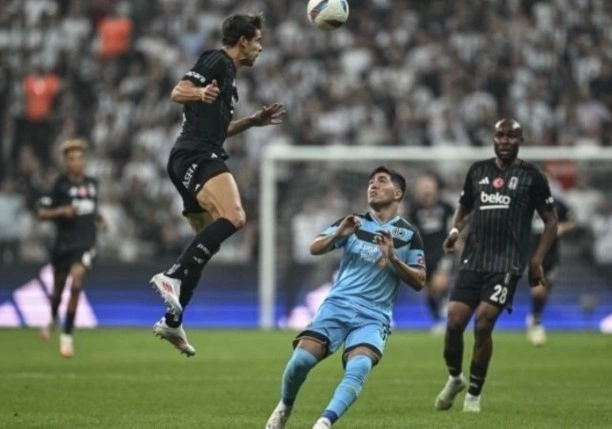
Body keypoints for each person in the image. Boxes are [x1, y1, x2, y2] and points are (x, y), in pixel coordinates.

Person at [149, 13, 285, 356]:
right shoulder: (217, 60)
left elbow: (218, 130)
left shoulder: (230, 80)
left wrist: (252, 121)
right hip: (195, 155)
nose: (260, 48)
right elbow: (178, 91)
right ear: (243, 41)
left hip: (190, 156)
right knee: (235, 216)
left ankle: (173, 321)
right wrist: (198, 92)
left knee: (206, 242)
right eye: (257, 41)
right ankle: (171, 276)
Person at [265, 166, 426, 429]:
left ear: (398, 193)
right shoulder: (354, 222)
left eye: (381, 181)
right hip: (338, 305)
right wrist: (338, 234)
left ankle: (324, 423)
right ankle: (285, 406)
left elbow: (419, 281)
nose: (373, 186)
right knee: (301, 361)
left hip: (374, 315)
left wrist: (394, 259)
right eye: (370, 182)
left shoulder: (409, 234)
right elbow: (314, 248)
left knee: (359, 367)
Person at [434, 119, 558, 413]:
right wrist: (455, 230)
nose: (504, 141)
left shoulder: (532, 177)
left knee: (483, 322)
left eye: (511, 136)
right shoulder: (477, 171)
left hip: (506, 263)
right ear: (493, 138)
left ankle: (473, 396)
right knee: (454, 322)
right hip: (473, 259)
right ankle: (455, 378)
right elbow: (466, 207)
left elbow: (551, 221)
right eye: (500, 135)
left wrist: (536, 260)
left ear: (521, 140)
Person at [37, 139, 106, 358]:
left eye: (80, 158)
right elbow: (41, 213)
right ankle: (52, 319)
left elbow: (91, 208)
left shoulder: (92, 184)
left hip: (85, 244)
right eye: (72, 159)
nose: (77, 162)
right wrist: (61, 211)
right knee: (58, 290)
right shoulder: (59, 185)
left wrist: (99, 219)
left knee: (76, 285)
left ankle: (66, 338)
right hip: (64, 244)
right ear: (66, 162)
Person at [526, 188, 577, 346]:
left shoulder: (558, 204)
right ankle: (537, 322)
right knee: (538, 289)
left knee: (545, 290)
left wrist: (561, 228)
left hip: (552, 255)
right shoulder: (526, 203)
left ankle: (535, 315)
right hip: (534, 253)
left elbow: (573, 222)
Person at [408, 173, 455, 332]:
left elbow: (453, 227)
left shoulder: (446, 207)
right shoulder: (414, 210)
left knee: (440, 283)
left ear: (436, 187)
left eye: (428, 184)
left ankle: (447, 305)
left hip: (443, 252)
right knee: (428, 292)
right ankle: (438, 320)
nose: (426, 188)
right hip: (423, 255)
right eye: (423, 185)